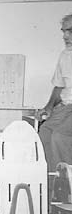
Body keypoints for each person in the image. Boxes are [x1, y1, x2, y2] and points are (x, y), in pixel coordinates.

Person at [37, 13, 72, 172]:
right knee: (44, 132)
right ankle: (52, 184)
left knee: (60, 136)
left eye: (70, 31)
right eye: (63, 31)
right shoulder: (65, 55)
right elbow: (59, 86)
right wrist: (49, 107)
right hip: (65, 107)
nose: (65, 35)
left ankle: (66, 186)